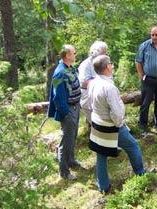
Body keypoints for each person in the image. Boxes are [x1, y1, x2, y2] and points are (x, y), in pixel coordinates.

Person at [87, 55, 145, 193]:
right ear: (107, 67)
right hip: (111, 126)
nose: (112, 66)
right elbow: (117, 113)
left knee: (101, 154)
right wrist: (119, 125)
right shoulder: (109, 87)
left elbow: (90, 103)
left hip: (97, 123)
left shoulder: (92, 83)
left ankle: (103, 186)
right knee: (133, 146)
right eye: (111, 64)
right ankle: (141, 174)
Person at [47, 44, 82, 180]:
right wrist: (66, 113)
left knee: (72, 137)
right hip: (68, 111)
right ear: (67, 55)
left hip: (75, 107)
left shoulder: (69, 68)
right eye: (74, 52)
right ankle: (64, 172)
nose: (75, 54)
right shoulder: (60, 73)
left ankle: (71, 161)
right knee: (65, 141)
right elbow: (58, 97)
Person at [78, 41, 108, 125]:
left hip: (103, 95)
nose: (105, 54)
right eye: (103, 52)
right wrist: (100, 83)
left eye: (106, 52)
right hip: (88, 97)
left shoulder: (105, 63)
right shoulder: (86, 64)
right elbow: (83, 83)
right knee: (98, 124)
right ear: (95, 52)